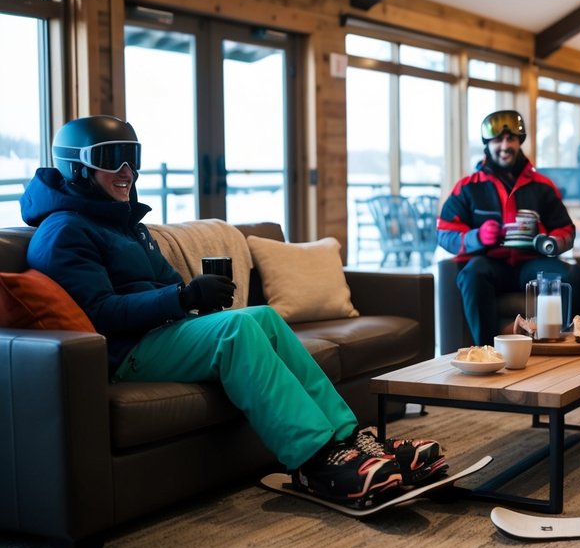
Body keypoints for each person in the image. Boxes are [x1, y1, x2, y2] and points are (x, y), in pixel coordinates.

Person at [20, 116, 445, 506]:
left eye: (133, 158)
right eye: (113, 159)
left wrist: (190, 295)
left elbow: (168, 282)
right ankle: (315, 462)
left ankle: (351, 440)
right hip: (128, 351)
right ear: (77, 166)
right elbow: (102, 314)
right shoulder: (63, 232)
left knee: (260, 316)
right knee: (235, 330)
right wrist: (184, 299)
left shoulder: (128, 225)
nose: (128, 171)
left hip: (164, 332)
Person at [437, 109, 580, 346]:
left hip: (531, 263)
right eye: (498, 140)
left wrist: (550, 243)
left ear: (520, 142)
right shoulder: (468, 187)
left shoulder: (542, 186)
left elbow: (566, 230)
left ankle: (543, 338)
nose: (505, 145)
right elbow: (445, 232)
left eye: (512, 139)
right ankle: (487, 350)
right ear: (487, 144)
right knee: (471, 274)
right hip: (490, 264)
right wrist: (477, 237)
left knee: (574, 277)